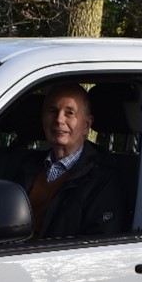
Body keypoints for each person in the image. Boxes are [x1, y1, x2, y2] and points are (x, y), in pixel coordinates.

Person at [15, 83, 132, 239]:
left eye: (69, 113)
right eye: (52, 111)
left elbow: (99, 245)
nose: (59, 120)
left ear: (86, 125)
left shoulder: (104, 177)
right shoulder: (25, 164)